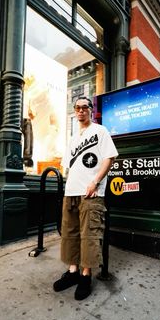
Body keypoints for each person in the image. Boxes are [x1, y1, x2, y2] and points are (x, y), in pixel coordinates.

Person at [53, 96, 118, 300]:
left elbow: (110, 157)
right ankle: (73, 272)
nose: (80, 111)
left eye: (84, 107)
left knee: (89, 234)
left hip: (91, 192)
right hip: (71, 192)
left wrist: (96, 181)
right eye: (77, 108)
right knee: (69, 233)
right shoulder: (73, 138)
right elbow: (70, 167)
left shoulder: (100, 131)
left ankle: (85, 275)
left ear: (91, 110)